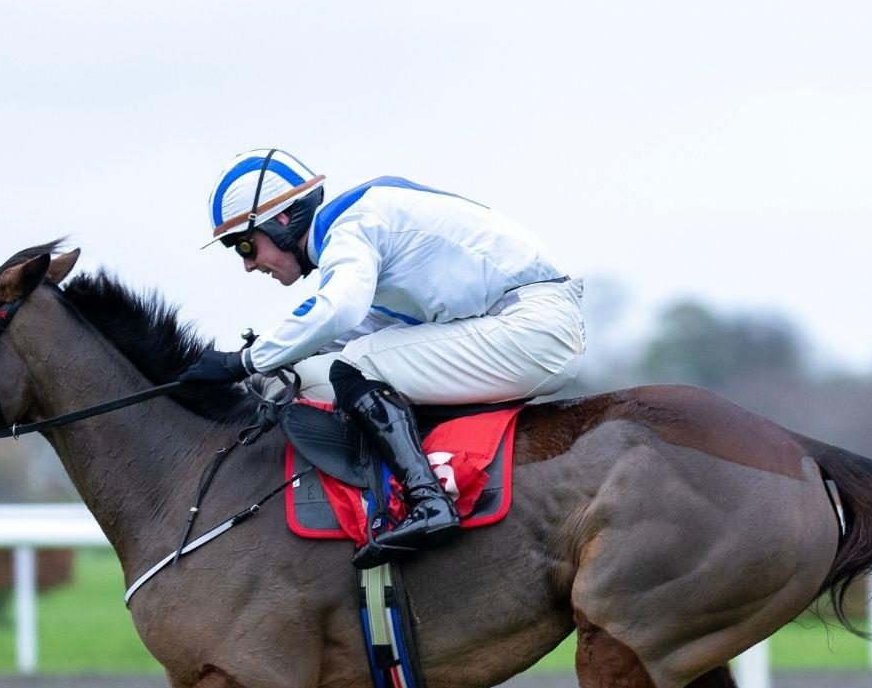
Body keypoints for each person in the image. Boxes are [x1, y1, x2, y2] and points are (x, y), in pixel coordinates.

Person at [184, 149, 584, 565]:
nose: (248, 264)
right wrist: (263, 357)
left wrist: (242, 362)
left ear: (283, 220)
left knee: (356, 366)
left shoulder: (351, 227)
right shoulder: (360, 229)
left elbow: (337, 311)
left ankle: (428, 501)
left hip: (532, 329)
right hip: (526, 325)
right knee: (326, 368)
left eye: (244, 244)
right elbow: (359, 326)